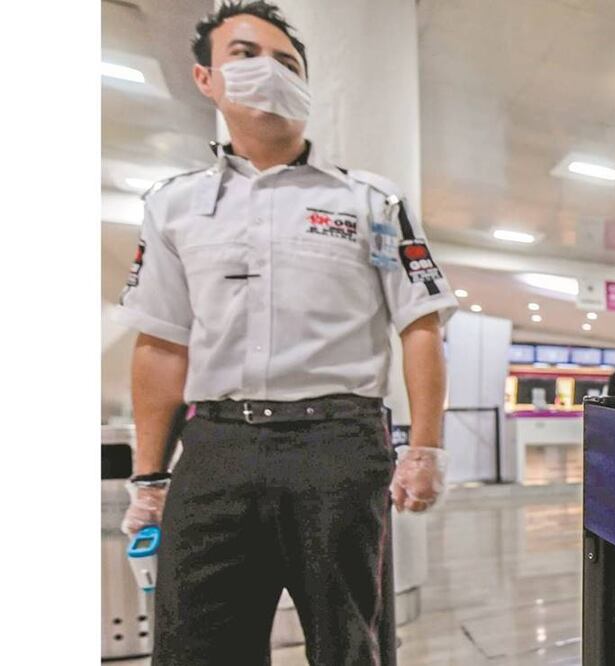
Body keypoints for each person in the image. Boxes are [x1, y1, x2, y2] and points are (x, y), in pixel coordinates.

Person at [114, 3, 459, 663]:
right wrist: (149, 477)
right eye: (244, 55)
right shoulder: (173, 205)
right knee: (195, 642)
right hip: (215, 446)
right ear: (205, 78)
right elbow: (161, 341)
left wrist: (425, 449)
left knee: (345, 640)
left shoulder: (370, 202)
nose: (267, 72)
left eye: (287, 62)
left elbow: (420, 322)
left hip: (337, 445)